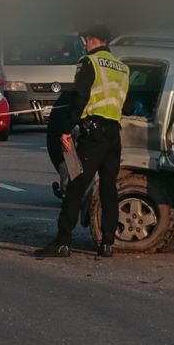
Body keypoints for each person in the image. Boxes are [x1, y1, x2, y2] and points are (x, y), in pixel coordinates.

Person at [35, 25, 130, 258]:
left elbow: (80, 96)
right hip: (113, 135)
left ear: (93, 39)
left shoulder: (89, 62)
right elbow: (126, 104)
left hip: (93, 133)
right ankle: (108, 243)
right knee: (109, 188)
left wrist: (66, 129)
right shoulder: (123, 68)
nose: (85, 44)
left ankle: (63, 242)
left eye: (86, 40)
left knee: (76, 185)